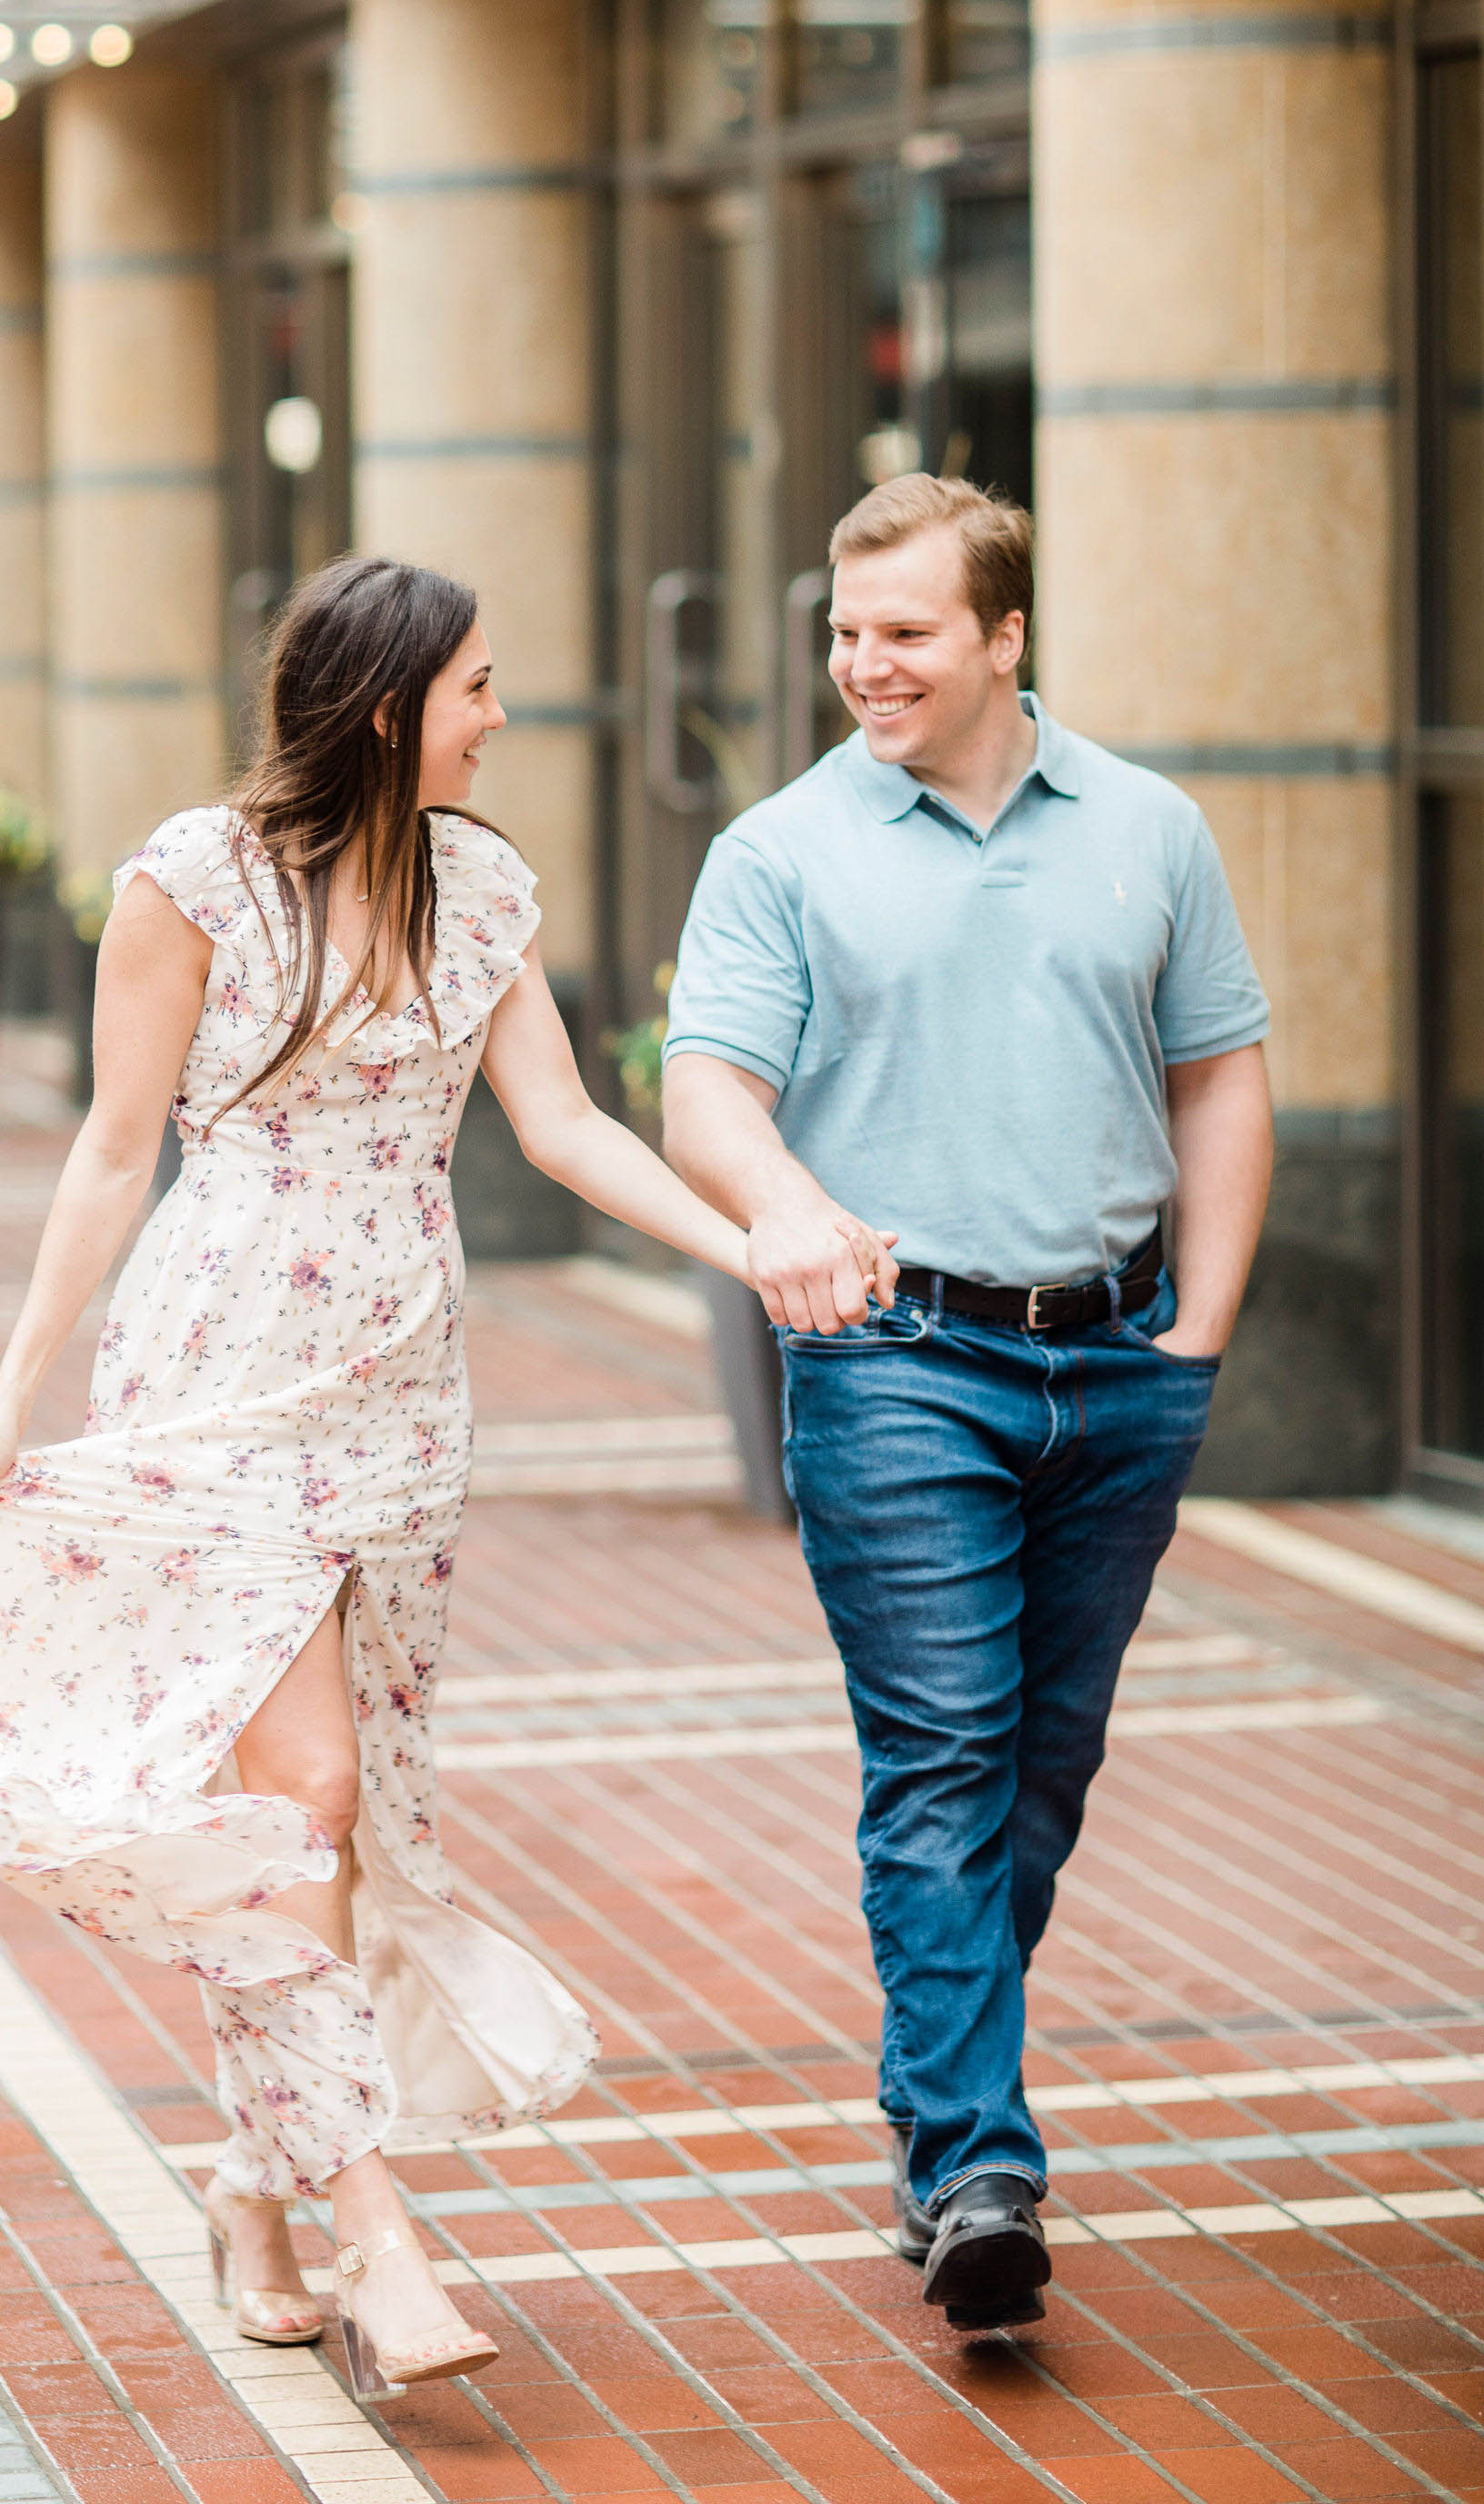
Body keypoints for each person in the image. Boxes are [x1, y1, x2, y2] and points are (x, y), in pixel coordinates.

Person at [0, 554, 766, 2403]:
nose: (505, 717)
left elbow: (568, 1125)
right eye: (481, 687)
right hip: (217, 1381)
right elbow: (115, 1153)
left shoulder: (486, 884)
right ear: (384, 706)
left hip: (406, 1399)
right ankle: (382, 2240)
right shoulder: (188, 884)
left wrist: (757, 1256)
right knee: (307, 1789)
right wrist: (14, 1391)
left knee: (353, 1819)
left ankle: (248, 2186)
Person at [660, 474, 1273, 2335]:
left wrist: (1201, 1340)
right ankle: (973, 2165)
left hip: (1119, 1355)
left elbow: (1223, 1080)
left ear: (1006, 635)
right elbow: (707, 1091)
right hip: (899, 1360)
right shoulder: (780, 850)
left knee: (1039, 1771)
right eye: (846, 634)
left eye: (907, 632)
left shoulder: (1148, 830)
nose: (866, 666)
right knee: (941, 1757)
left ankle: (939, 2084)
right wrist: (786, 1213)